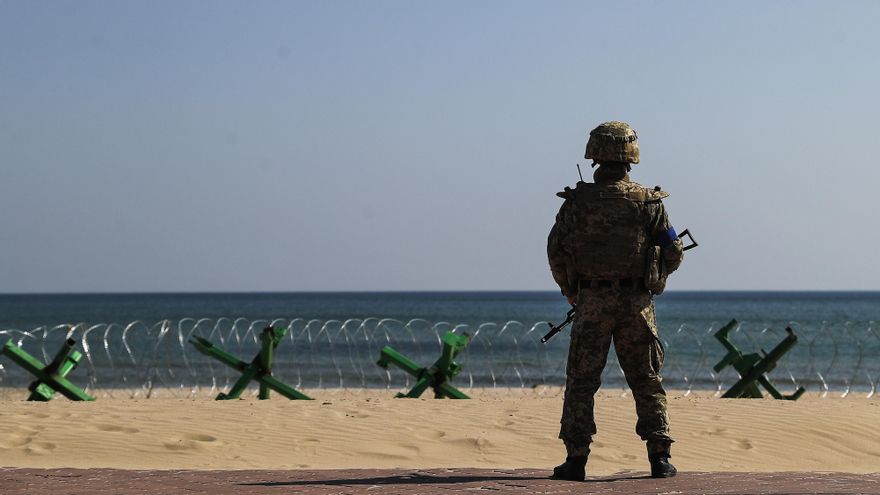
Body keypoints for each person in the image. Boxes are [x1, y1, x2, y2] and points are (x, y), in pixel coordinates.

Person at [546, 121, 684, 480]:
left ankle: (576, 460)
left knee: (581, 381)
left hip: (590, 302)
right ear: (631, 157)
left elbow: (555, 251)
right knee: (646, 380)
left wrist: (570, 290)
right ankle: (659, 458)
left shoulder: (576, 202)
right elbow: (672, 250)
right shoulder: (648, 201)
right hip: (635, 305)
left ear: (595, 154)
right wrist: (656, 277)